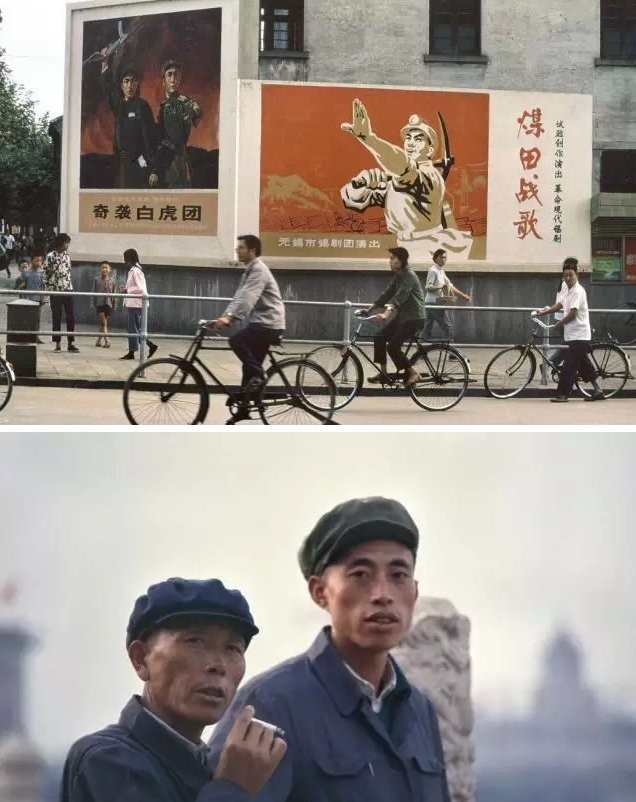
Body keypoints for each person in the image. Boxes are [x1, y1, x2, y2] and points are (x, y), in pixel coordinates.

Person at [209, 496, 451, 802]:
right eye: (360, 575)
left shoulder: (420, 710)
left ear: (415, 592)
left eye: (398, 575)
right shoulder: (271, 706)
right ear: (320, 592)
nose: (382, 594)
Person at [60, 577, 287, 802]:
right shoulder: (107, 761)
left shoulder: (217, 768)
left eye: (232, 648)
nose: (218, 665)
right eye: (194, 641)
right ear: (140, 659)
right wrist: (233, 788)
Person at [340, 99, 473, 261]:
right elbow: (352, 199)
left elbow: (406, 168)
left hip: (427, 249)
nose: (410, 143)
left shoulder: (430, 176)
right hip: (403, 248)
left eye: (418, 139)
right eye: (408, 138)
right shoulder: (397, 179)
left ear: (430, 149)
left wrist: (369, 138)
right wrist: (362, 182)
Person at [205, 235, 285, 402]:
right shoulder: (249, 270)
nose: (237, 250)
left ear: (252, 251)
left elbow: (248, 297)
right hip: (263, 322)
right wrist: (224, 318)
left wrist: (229, 319)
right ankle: (243, 408)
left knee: (236, 341)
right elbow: (238, 298)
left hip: (269, 323)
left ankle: (259, 376)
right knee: (248, 367)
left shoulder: (258, 270)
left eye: (241, 247)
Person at [534, 257, 604, 402]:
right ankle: (598, 390)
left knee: (569, 367)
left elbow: (572, 313)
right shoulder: (568, 290)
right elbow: (559, 305)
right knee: (583, 364)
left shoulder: (578, 291)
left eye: (570, 275)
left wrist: (557, 325)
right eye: (565, 275)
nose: (567, 278)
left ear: (576, 274)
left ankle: (563, 394)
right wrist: (544, 312)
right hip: (572, 335)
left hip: (579, 335)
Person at [362, 247, 426, 386]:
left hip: (414, 318)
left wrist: (386, 314)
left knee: (392, 347)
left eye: (392, 258)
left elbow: (399, 297)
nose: (389, 261)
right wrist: (370, 309)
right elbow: (387, 294)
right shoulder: (398, 276)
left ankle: (413, 373)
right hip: (403, 317)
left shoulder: (409, 275)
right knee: (379, 337)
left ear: (401, 260)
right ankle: (384, 374)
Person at [100, 60, 156, 189]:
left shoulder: (142, 106)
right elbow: (107, 89)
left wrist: (152, 169)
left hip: (140, 160)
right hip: (121, 162)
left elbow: (150, 139)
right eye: (126, 81)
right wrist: (104, 66)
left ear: (137, 84)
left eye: (133, 81)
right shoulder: (119, 106)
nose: (130, 85)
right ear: (121, 85)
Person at [149, 60, 201, 189]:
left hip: (179, 160)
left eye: (176, 75)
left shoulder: (185, 102)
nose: (173, 79)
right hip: (164, 160)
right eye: (169, 75)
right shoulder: (163, 106)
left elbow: (197, 113)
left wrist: (193, 111)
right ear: (163, 80)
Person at [423, 249, 471, 342]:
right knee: (447, 326)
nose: (444, 259)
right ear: (436, 258)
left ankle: (420, 350)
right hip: (434, 303)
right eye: (442, 257)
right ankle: (451, 350)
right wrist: (441, 286)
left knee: (427, 327)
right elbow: (428, 287)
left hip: (434, 302)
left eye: (445, 257)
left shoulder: (441, 271)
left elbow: (451, 286)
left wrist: (463, 296)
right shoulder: (433, 271)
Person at [43, 233, 79, 353]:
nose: (68, 245)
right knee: (56, 317)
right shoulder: (50, 256)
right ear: (61, 243)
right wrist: (48, 291)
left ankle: (70, 343)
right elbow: (45, 274)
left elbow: (68, 272)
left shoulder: (67, 256)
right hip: (55, 291)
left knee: (71, 317)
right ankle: (57, 343)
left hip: (68, 289)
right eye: (66, 242)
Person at [120, 249, 158, 360]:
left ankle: (132, 352)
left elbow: (140, 288)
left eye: (125, 259)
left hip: (136, 304)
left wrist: (127, 290)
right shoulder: (136, 270)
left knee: (133, 329)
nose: (124, 262)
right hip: (136, 303)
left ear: (129, 259)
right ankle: (150, 345)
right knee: (137, 329)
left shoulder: (135, 271)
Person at [92, 262, 116, 348]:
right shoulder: (96, 279)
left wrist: (114, 305)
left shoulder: (112, 280)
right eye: (103, 267)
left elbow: (114, 293)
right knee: (104, 323)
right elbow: (94, 291)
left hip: (108, 303)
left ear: (109, 270)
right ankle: (107, 341)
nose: (104, 269)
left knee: (103, 323)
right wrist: (93, 303)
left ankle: (98, 341)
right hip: (100, 303)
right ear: (100, 269)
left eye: (106, 268)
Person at [24, 253, 45, 343]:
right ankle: (27, 336)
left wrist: (43, 298)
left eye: (40, 260)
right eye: (36, 260)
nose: (38, 262)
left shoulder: (42, 273)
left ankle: (36, 336)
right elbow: (21, 284)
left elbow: (43, 286)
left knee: (37, 319)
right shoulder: (27, 272)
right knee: (27, 318)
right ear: (32, 261)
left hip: (38, 299)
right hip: (28, 299)